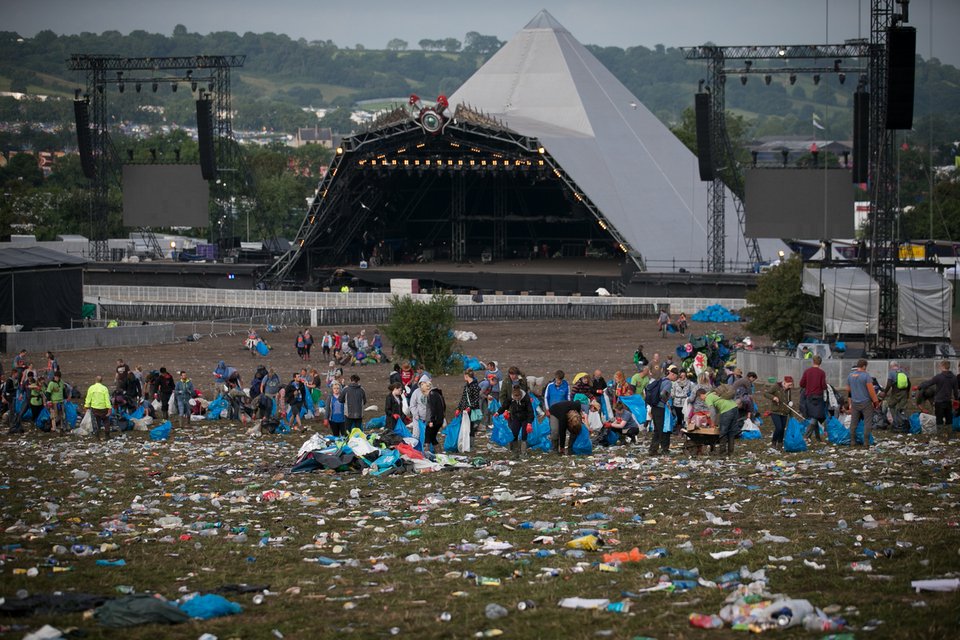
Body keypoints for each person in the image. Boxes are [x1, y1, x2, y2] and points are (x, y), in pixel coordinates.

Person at [918, 360, 959, 441]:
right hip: (948, 401)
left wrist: (919, 386)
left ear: (942, 366)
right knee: (949, 418)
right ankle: (949, 435)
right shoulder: (954, 377)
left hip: (939, 401)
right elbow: (955, 390)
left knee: (939, 418)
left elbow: (929, 383)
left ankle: (940, 436)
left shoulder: (939, 377)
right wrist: (956, 399)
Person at [847, 359, 880, 447]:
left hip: (855, 403)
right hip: (866, 403)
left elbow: (849, 390)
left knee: (853, 422)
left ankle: (852, 441)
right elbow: (871, 391)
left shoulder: (850, 376)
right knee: (867, 422)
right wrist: (876, 402)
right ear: (864, 366)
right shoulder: (866, 376)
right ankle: (866, 442)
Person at [648, 366, 677, 456]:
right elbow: (663, 394)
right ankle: (664, 449)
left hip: (655, 407)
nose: (676, 378)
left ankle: (653, 450)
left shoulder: (662, 380)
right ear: (672, 374)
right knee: (662, 429)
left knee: (657, 429)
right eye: (676, 376)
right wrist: (666, 401)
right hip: (660, 408)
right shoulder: (668, 383)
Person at [799, 355, 827, 442]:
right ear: (820, 363)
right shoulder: (822, 373)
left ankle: (818, 437)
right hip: (818, 397)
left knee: (814, 416)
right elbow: (823, 386)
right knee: (815, 417)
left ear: (813, 361)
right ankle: (806, 436)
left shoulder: (807, 371)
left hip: (809, 397)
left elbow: (801, 384)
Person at [706, 387, 740, 456]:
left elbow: (713, 412)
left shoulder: (707, 398)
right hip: (735, 407)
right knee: (731, 432)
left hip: (727, 411)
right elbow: (718, 408)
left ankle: (722, 452)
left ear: (701, 395)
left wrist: (713, 423)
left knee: (723, 432)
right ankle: (731, 452)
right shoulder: (714, 394)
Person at [503, 385, 534, 457]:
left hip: (525, 418)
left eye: (518, 397)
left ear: (520, 396)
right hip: (516, 417)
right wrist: (499, 412)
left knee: (524, 434)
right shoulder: (511, 398)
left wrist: (529, 422)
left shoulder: (526, 398)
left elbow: (530, 411)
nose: (516, 399)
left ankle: (523, 452)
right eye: (515, 397)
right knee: (514, 433)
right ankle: (515, 452)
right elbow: (505, 406)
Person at [764, 376, 793, 450]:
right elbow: (766, 394)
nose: (790, 386)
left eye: (791, 385)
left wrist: (791, 414)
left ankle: (780, 443)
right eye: (789, 384)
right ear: (784, 382)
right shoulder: (776, 386)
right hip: (775, 411)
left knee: (783, 428)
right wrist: (774, 397)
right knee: (779, 428)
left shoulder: (789, 390)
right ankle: (773, 442)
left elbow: (789, 401)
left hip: (785, 412)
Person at [881, 362, 910, 432]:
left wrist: (885, 392)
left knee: (891, 405)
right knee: (902, 408)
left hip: (895, 392)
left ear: (892, 366)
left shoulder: (891, 373)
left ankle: (896, 423)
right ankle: (903, 424)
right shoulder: (904, 372)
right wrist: (907, 393)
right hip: (904, 392)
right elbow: (909, 383)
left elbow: (889, 384)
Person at [84, 375, 112, 440]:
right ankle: (107, 435)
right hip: (103, 408)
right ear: (101, 381)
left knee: (96, 421)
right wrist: (109, 408)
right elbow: (107, 399)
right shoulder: (104, 388)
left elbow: (88, 398)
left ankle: (97, 435)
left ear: (95, 380)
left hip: (94, 408)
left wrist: (86, 406)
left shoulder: (91, 388)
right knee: (106, 421)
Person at [456, 370, 482, 437]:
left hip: (471, 410)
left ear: (467, 376)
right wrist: (458, 408)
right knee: (464, 427)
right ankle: (465, 443)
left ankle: (470, 444)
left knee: (471, 427)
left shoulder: (475, 386)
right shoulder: (466, 385)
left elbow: (476, 400)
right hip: (464, 409)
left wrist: (470, 407)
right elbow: (463, 398)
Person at [425, 383, 446, 453]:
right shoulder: (438, 393)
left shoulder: (431, 394)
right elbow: (444, 406)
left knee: (428, 436)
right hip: (439, 419)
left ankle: (426, 453)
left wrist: (432, 420)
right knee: (432, 437)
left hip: (434, 420)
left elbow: (433, 408)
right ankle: (439, 452)